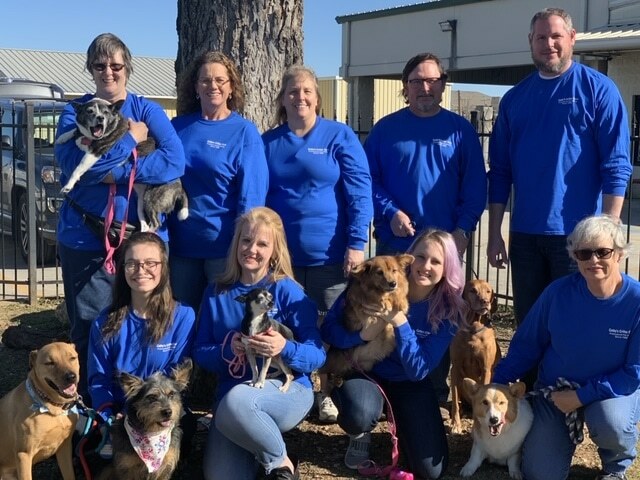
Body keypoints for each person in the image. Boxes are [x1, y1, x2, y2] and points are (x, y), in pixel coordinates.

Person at [55, 33, 185, 400]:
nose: (108, 72)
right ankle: (92, 418)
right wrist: (130, 142)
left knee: (146, 327)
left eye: (115, 65)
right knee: (90, 328)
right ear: (90, 70)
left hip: (142, 240)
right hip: (86, 238)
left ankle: (144, 414)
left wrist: (113, 170)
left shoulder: (147, 110)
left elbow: (174, 162)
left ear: (127, 67)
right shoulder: (75, 111)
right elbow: (70, 168)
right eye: (99, 65)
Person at [487, 8, 632, 330]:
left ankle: (571, 384)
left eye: (556, 36)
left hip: (579, 237)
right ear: (530, 41)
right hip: (524, 235)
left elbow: (616, 164)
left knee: (576, 326)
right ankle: (532, 383)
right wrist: (495, 233)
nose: (548, 44)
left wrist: (608, 229)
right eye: (541, 37)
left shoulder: (598, 89)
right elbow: (499, 172)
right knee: (531, 325)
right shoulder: (514, 99)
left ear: (572, 38)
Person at [364, 52, 486, 406]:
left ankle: (429, 399)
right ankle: (375, 397)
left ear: (444, 85)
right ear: (405, 88)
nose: (425, 87)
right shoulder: (386, 130)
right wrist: (389, 212)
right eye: (417, 81)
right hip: (395, 249)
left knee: (436, 324)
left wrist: (463, 231)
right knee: (385, 318)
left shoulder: (460, 131)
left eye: (432, 80)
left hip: (440, 257)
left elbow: (475, 187)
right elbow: (366, 181)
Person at [262, 65, 373, 422]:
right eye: (293, 91)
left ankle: (330, 392)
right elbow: (258, 198)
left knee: (333, 328)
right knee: (289, 325)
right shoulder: (269, 143)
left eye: (307, 91)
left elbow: (359, 192)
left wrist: (357, 243)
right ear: (282, 98)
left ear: (317, 97)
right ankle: (294, 390)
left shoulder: (338, 136)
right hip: (282, 261)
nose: (300, 97)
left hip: (331, 256)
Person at [492, 214, 640, 480]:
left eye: (602, 252)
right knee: (539, 473)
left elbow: (633, 373)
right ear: (574, 257)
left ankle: (616, 467)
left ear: (618, 254)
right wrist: (496, 384)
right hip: (556, 392)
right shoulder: (557, 293)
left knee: (612, 424)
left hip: (610, 393)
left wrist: (581, 397)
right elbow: (527, 345)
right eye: (584, 253)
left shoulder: (636, 302)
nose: (593, 260)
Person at [193, 207, 326, 480]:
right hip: (230, 399)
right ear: (236, 244)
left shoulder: (287, 291)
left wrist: (285, 348)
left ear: (275, 250)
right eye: (245, 240)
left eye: (262, 244)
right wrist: (226, 351)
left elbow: (317, 355)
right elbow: (199, 350)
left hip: (287, 391)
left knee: (238, 402)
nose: (251, 249)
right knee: (221, 476)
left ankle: (280, 463)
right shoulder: (217, 292)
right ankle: (270, 458)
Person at [321, 229, 467, 479]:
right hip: (367, 373)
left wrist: (400, 323)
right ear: (409, 258)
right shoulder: (366, 285)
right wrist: (360, 337)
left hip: (408, 381)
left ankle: (401, 421)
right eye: (420, 257)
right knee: (361, 413)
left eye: (436, 262)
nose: (425, 266)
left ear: (447, 268)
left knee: (431, 471)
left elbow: (418, 370)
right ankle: (360, 434)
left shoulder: (448, 313)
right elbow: (329, 330)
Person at [169, 51, 268, 310]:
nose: (213, 86)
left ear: (231, 87)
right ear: (195, 87)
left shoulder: (244, 132)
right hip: (180, 248)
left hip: (223, 250)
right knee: (181, 321)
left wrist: (244, 246)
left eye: (220, 80)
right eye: (205, 80)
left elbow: (252, 197)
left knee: (221, 324)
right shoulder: (177, 128)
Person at [87, 232, 195, 455]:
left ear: (163, 268)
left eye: (150, 263)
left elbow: (175, 376)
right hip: (120, 413)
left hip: (162, 409)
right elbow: (99, 380)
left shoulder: (184, 316)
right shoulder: (104, 322)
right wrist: (108, 415)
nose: (140, 270)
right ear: (122, 268)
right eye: (132, 264)